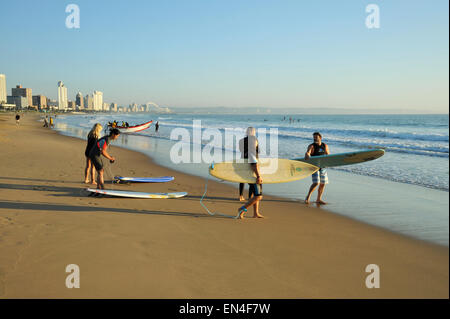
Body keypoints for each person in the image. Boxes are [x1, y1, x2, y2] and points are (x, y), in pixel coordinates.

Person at [237, 127, 264, 219]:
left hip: (244, 167)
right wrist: (258, 176)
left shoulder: (241, 141)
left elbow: (241, 151)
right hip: (253, 173)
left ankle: (255, 213)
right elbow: (254, 162)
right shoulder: (253, 140)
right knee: (258, 196)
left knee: (254, 193)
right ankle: (242, 208)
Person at [304, 132, 330, 205]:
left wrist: (329, 162)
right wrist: (307, 155)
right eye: (314, 137)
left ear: (320, 138)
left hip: (323, 167)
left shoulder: (325, 145)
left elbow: (328, 155)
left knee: (322, 183)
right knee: (316, 183)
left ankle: (318, 199)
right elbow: (308, 152)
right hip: (314, 167)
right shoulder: (312, 146)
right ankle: (307, 197)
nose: (314, 138)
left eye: (316, 137)